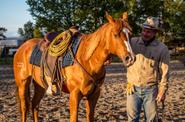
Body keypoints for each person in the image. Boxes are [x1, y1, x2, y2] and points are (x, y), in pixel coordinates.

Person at [126, 16, 170, 121]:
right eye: (144, 30)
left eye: (149, 32)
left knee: (151, 119)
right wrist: (108, 59)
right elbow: (117, 49)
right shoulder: (132, 42)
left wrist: (162, 90)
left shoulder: (162, 48)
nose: (145, 33)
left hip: (151, 90)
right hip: (132, 88)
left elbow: (165, 72)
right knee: (132, 119)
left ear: (155, 33)